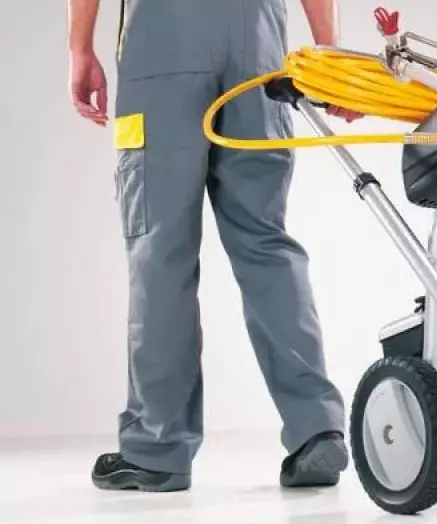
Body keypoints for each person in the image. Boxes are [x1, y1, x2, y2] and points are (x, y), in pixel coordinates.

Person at [67, 0, 361, 492]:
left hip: (162, 43)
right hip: (256, 46)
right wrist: (329, 53)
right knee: (265, 240)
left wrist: (80, 48)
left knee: (161, 250)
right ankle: (316, 428)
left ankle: (158, 448)